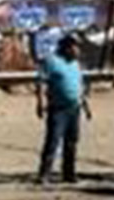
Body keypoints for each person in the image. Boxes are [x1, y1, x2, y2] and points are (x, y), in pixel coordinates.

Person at [35, 35, 93, 184]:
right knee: (53, 141)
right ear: (66, 48)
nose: (77, 51)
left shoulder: (75, 64)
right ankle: (44, 174)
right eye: (75, 47)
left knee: (72, 141)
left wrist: (86, 107)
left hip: (74, 108)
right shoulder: (52, 62)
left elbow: (80, 86)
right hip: (58, 109)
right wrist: (40, 103)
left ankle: (69, 173)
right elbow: (41, 82)